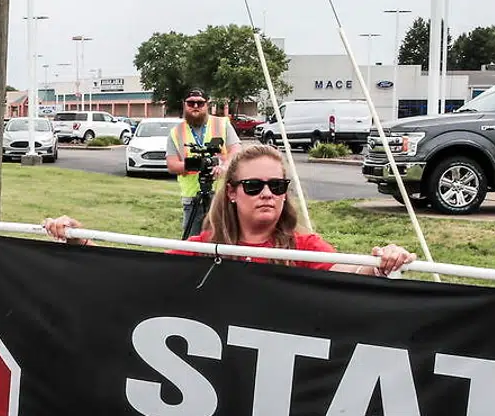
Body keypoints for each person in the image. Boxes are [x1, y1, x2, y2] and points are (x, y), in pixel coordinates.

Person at [44, 142, 414, 276]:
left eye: (277, 185)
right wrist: (80, 241)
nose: (267, 193)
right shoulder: (204, 247)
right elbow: (140, 274)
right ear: (233, 193)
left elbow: (348, 270)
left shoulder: (304, 247)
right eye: (254, 186)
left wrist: (381, 262)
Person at [166, 88, 239, 239]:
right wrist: (197, 164)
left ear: (207, 104)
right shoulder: (176, 132)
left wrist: (224, 166)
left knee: (223, 239)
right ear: (184, 105)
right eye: (191, 103)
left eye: (200, 103)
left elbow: (236, 151)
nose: (195, 106)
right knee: (191, 242)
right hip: (192, 197)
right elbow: (172, 165)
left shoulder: (222, 124)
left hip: (221, 195)